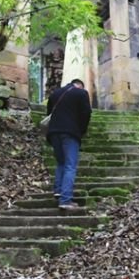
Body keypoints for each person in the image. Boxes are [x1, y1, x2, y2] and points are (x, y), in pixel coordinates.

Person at [46, 78, 92, 209]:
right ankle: (65, 200)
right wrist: (81, 130)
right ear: (79, 85)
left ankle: (58, 190)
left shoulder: (55, 94)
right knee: (70, 166)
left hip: (54, 133)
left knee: (61, 162)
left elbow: (49, 113)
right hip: (70, 133)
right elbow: (86, 113)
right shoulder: (81, 93)